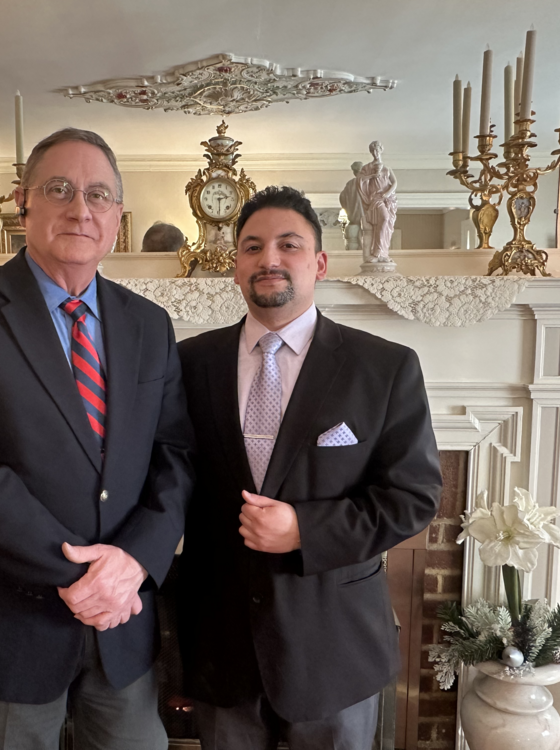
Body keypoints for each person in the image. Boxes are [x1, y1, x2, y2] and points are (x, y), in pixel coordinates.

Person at [0, 128, 194, 750]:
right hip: (5, 622)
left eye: (98, 195)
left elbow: (175, 457)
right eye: (58, 188)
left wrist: (133, 564)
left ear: (118, 216)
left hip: (123, 623)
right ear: (22, 202)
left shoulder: (149, 324)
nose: (79, 208)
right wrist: (81, 577)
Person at [177, 186, 441, 750]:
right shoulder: (188, 364)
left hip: (334, 651)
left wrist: (304, 529)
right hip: (222, 647)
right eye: (252, 247)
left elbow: (414, 496)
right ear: (236, 268)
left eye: (288, 244)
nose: (268, 259)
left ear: (318, 263)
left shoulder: (385, 367)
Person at [357, 141, 398, 262]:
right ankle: (377, 252)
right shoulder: (367, 168)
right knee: (384, 219)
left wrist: (387, 194)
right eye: (373, 150)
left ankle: (382, 253)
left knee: (386, 225)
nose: (375, 153)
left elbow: (394, 183)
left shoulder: (387, 168)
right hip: (375, 199)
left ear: (381, 150)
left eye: (377, 150)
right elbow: (360, 180)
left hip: (387, 199)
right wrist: (372, 176)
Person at [338, 161, 363, 252]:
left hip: (353, 223)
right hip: (364, 223)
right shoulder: (367, 183)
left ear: (354, 172)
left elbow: (342, 198)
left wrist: (349, 209)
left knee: (353, 249)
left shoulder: (349, 184)